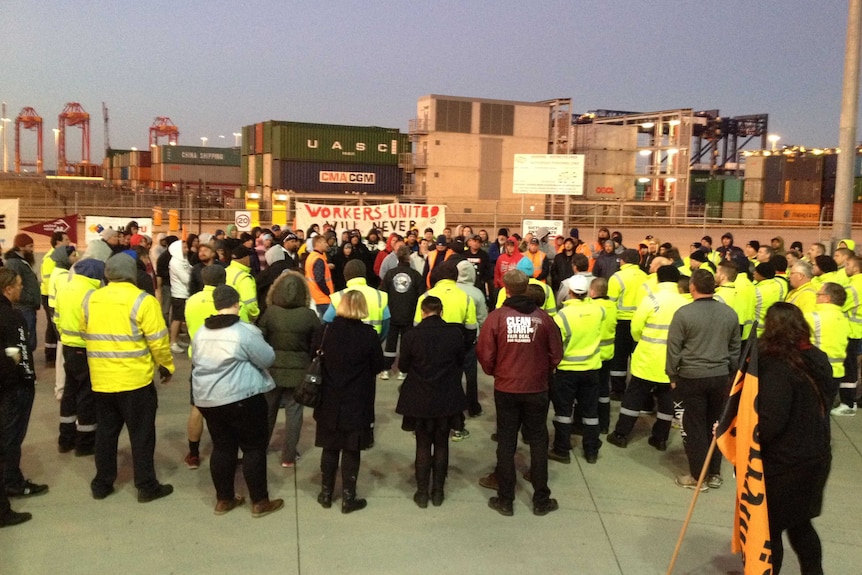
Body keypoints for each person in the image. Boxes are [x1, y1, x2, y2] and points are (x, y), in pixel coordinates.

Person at [84, 254, 175, 502]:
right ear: (131, 274)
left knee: (105, 433)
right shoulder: (142, 301)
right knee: (142, 434)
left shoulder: (91, 299)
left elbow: (84, 330)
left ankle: (102, 483)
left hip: (102, 380)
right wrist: (166, 366)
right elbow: (158, 340)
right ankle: (146, 485)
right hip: (135, 381)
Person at [191, 284, 283, 518]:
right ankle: (260, 501)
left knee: (222, 448)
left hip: (208, 399)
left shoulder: (202, 331)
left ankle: (224, 499)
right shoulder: (244, 331)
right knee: (253, 448)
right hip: (242, 398)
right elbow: (267, 358)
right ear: (236, 304)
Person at [476, 269, 563, 517]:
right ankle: (541, 499)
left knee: (506, 441)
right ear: (526, 288)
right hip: (536, 388)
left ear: (505, 288)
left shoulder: (496, 318)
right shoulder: (544, 319)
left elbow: (485, 353)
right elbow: (556, 354)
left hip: (507, 388)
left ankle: (505, 499)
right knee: (538, 441)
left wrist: (497, 372)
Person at [757, 303, 833, 575]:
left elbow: (771, 420)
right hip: (816, 455)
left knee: (770, 527)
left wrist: (749, 439)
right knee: (800, 524)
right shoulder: (816, 357)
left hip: (786, 462)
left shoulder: (777, 366)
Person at [666, 269, 740, 491]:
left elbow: (674, 348)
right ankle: (714, 472)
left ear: (692, 287)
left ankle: (698, 476)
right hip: (720, 376)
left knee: (695, 425)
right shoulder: (729, 313)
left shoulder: (684, 314)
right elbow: (735, 347)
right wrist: (730, 372)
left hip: (692, 376)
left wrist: (672, 374)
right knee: (715, 424)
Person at [313, 291, 384, 513]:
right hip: (357, 400)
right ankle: (348, 497)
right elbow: (378, 365)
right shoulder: (368, 335)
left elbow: (313, 356)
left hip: (328, 399)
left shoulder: (325, 331)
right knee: (352, 450)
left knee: (330, 447)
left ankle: (326, 493)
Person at [395, 296, 467, 508]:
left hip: (419, 397)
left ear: (422, 312)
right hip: (447, 396)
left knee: (423, 444)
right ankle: (438, 492)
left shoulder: (411, 336)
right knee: (442, 443)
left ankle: (421, 493)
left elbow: (404, 367)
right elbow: (460, 361)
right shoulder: (455, 334)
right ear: (441, 311)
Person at [607, 266, 687, 452]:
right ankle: (660, 438)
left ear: (658, 279)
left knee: (634, 397)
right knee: (667, 400)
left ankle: (621, 434)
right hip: (672, 363)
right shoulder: (684, 303)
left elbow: (635, 328)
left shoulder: (651, 300)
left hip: (647, 358)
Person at [258, 272, 321, 468]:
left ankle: (260, 448)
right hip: (299, 371)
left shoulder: (270, 313)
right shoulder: (309, 316)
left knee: (268, 411)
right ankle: (288, 456)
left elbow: (260, 340)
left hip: (272, 370)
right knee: (294, 413)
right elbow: (316, 344)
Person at [0, 268, 47, 500]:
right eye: (18, 285)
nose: (22, 288)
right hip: (14, 387)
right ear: (8, 289)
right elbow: (20, 353)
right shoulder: (13, 317)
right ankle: (13, 482)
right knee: (12, 435)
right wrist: (28, 379)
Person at [549, 275, 604, 464]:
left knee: (564, 412)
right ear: (587, 292)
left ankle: (561, 449)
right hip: (591, 368)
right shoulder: (599, 311)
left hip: (567, 370)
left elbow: (556, 346)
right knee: (590, 412)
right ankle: (591, 450)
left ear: (569, 292)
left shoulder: (561, 316)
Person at [54, 258, 104, 456]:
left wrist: (66, 337)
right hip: (85, 348)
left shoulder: (65, 288)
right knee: (86, 396)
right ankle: (85, 442)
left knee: (70, 392)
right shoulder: (92, 294)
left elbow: (56, 318)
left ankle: (65, 439)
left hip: (68, 345)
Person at [608, 249, 647, 399]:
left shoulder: (617, 278)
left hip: (621, 321)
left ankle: (618, 390)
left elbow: (610, 304)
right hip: (641, 321)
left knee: (619, 358)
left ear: (623, 261)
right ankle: (637, 389)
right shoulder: (646, 277)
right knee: (637, 357)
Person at [381, 246, 425, 380]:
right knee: (407, 344)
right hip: (409, 315)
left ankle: (386, 369)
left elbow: (383, 294)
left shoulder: (390, 274)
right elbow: (421, 296)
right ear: (409, 257)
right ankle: (403, 370)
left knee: (390, 343)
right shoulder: (416, 275)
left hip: (392, 314)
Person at [3, 234, 40, 355]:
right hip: (24, 307)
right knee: (26, 342)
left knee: (29, 341)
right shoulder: (15, 263)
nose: (32, 249)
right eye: (29, 246)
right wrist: (29, 298)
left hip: (27, 306)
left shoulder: (21, 261)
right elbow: (13, 284)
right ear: (20, 247)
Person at [40, 230, 71, 365]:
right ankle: (50, 354)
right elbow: (48, 280)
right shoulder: (51, 258)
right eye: (66, 240)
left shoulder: (58, 256)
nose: (68, 242)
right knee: (53, 325)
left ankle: (52, 353)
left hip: (53, 295)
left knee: (52, 325)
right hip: (49, 296)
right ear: (58, 242)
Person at [305, 234, 334, 319]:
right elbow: (319, 279)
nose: (327, 244)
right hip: (322, 299)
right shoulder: (318, 259)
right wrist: (328, 292)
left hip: (315, 297)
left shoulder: (311, 257)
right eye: (325, 242)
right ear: (318, 243)